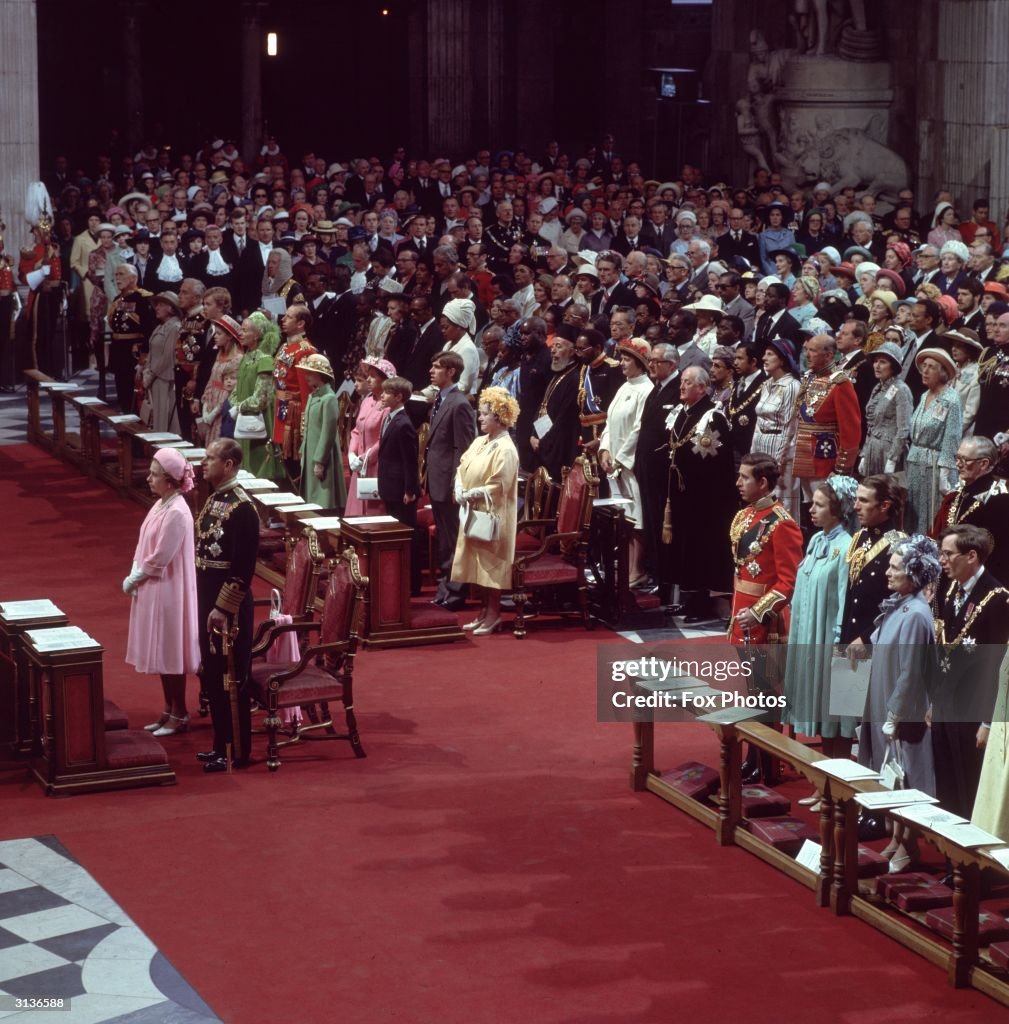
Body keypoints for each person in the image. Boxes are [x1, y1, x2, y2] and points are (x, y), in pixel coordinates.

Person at [856, 535, 942, 871]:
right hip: (882, 701)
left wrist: (895, 712)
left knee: (905, 778)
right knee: (889, 776)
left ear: (914, 573)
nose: (887, 573)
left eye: (895, 567)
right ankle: (895, 839)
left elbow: (910, 672)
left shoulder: (917, 614)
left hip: (900, 710)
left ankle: (909, 846)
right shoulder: (898, 606)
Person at [783, 477, 858, 803]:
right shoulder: (816, 541)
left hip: (831, 641)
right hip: (809, 636)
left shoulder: (847, 547)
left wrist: (839, 648)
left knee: (837, 718)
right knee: (822, 715)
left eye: (819, 504)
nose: (811, 508)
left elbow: (845, 600)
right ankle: (824, 783)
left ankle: (837, 789)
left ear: (839, 509)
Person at [933, 525, 1009, 819]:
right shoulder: (953, 590)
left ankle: (969, 859)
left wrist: (987, 722)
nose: (942, 560)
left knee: (968, 786)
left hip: (973, 710)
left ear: (972, 556)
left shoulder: (997, 599)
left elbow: (997, 666)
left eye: (948, 554)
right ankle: (950, 852)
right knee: (947, 783)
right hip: (946, 704)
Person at [123, 448, 200, 738]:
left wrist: (135, 578)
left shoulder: (178, 512)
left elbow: (160, 557)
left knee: (171, 655)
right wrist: (134, 571)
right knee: (161, 655)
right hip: (153, 587)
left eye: (154, 475)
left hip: (169, 590)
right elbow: (143, 542)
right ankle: (168, 709)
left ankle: (179, 713)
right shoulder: (160, 504)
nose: (148, 479)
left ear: (169, 480)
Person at [194, 439, 260, 773]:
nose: (203, 463)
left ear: (229, 464)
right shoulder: (215, 498)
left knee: (230, 678)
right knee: (211, 673)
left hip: (228, 610)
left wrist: (221, 608)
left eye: (210, 458)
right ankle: (219, 744)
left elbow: (242, 569)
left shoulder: (243, 508)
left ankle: (236, 750)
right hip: (208, 601)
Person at [665, 366, 737, 620]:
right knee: (686, 547)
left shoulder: (711, 416)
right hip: (684, 495)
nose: (682, 386)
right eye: (682, 381)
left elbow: (712, 461)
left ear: (702, 388)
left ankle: (703, 602)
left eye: (688, 382)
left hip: (707, 500)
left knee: (702, 548)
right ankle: (691, 596)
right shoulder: (683, 413)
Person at [451, 386, 520, 634]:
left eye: (484, 414)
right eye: (480, 414)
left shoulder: (506, 448)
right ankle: (482, 612)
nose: (479, 418)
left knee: (491, 566)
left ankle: (494, 614)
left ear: (499, 417)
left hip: (495, 514)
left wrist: (473, 493)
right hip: (473, 511)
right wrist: (460, 485)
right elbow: (463, 464)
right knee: (477, 564)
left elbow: (500, 483)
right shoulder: (481, 441)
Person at [599, 338, 654, 587]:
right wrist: (604, 450)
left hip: (629, 465)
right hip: (614, 465)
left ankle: (637, 569)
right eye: (621, 358)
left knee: (636, 517)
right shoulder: (624, 387)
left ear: (640, 363)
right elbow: (609, 423)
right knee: (621, 517)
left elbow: (639, 429)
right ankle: (624, 565)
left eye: (627, 359)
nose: (622, 363)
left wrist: (620, 458)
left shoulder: (646, 389)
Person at [427, 351, 478, 609]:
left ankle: (456, 592)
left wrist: (455, 484)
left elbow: (464, 449)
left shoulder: (459, 404)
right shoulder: (440, 398)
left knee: (454, 538)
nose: (431, 371)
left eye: (437, 367)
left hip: (448, 482)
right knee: (446, 540)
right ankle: (446, 585)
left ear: (451, 372)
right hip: (436, 479)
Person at [792, 334, 861, 505]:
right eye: (806, 350)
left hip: (825, 461)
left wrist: (841, 469)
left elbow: (851, 430)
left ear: (829, 355)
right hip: (803, 457)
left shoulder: (840, 383)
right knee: (810, 511)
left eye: (813, 351)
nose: (807, 355)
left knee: (828, 511)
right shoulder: (809, 377)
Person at [841, 475, 908, 650]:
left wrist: (866, 638)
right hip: (850, 636)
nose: (855, 506)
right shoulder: (861, 537)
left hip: (876, 642)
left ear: (884, 506)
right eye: (856, 499)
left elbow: (899, 604)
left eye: (863, 501)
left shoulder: (899, 545)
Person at [905, 347, 963, 533]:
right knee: (914, 512)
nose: (925, 371)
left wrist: (945, 472)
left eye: (931, 367)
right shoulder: (924, 395)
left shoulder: (951, 400)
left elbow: (952, 437)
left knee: (933, 514)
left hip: (936, 467)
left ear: (943, 372)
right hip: (916, 462)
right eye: (924, 366)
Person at [378, 375, 421, 594]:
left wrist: (410, 489)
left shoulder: (404, 423)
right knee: (395, 535)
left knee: (406, 537)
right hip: (390, 487)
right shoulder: (390, 418)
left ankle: (412, 585)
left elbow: (410, 460)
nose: (382, 395)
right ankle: (399, 580)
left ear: (399, 396)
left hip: (402, 491)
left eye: (386, 393)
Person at [751, 336, 801, 519]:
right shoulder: (766, 384)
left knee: (781, 499)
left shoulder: (792, 386)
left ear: (782, 359)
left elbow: (790, 427)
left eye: (770, 354)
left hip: (782, 448)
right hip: (761, 442)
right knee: (761, 494)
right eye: (764, 354)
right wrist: (752, 455)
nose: (764, 358)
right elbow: (758, 420)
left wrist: (778, 462)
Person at [230, 312, 282, 481]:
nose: (241, 334)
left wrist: (239, 407)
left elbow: (261, 399)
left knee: (258, 466)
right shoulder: (245, 358)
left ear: (257, 334)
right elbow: (236, 390)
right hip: (243, 418)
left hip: (258, 422)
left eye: (245, 330)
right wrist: (235, 403)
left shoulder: (265, 360)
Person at [297, 353, 347, 510]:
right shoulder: (314, 396)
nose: (307, 376)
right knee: (310, 495)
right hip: (310, 451)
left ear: (320, 374)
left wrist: (320, 461)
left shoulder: (329, 398)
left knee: (322, 496)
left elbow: (328, 432)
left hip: (322, 455)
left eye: (310, 373)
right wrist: (303, 449)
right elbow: (308, 427)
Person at [346, 357, 394, 516]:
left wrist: (366, 458)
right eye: (369, 375)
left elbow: (384, 439)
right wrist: (351, 453)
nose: (368, 379)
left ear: (385, 380)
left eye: (373, 376)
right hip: (359, 466)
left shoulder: (388, 405)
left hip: (376, 466)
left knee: (373, 513)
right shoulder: (366, 401)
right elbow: (356, 431)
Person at [858, 341, 913, 476]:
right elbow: (871, 427)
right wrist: (864, 454)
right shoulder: (877, 388)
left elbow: (904, 428)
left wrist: (892, 458)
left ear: (893, 367)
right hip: (873, 451)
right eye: (876, 361)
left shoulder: (901, 389)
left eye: (883, 362)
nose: (877, 366)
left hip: (889, 452)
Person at [198, 315, 242, 445]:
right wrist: (205, 407)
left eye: (219, 334)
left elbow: (230, 390)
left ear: (229, 336)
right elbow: (211, 381)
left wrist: (214, 413)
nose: (215, 337)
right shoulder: (219, 355)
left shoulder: (237, 359)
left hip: (222, 405)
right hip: (212, 399)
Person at [143, 292, 182, 432]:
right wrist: (145, 369)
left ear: (171, 308)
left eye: (161, 305)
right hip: (156, 379)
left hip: (165, 378)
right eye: (156, 304)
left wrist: (151, 374)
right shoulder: (161, 326)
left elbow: (167, 357)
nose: (156, 308)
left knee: (164, 418)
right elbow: (153, 352)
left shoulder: (174, 327)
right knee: (156, 417)